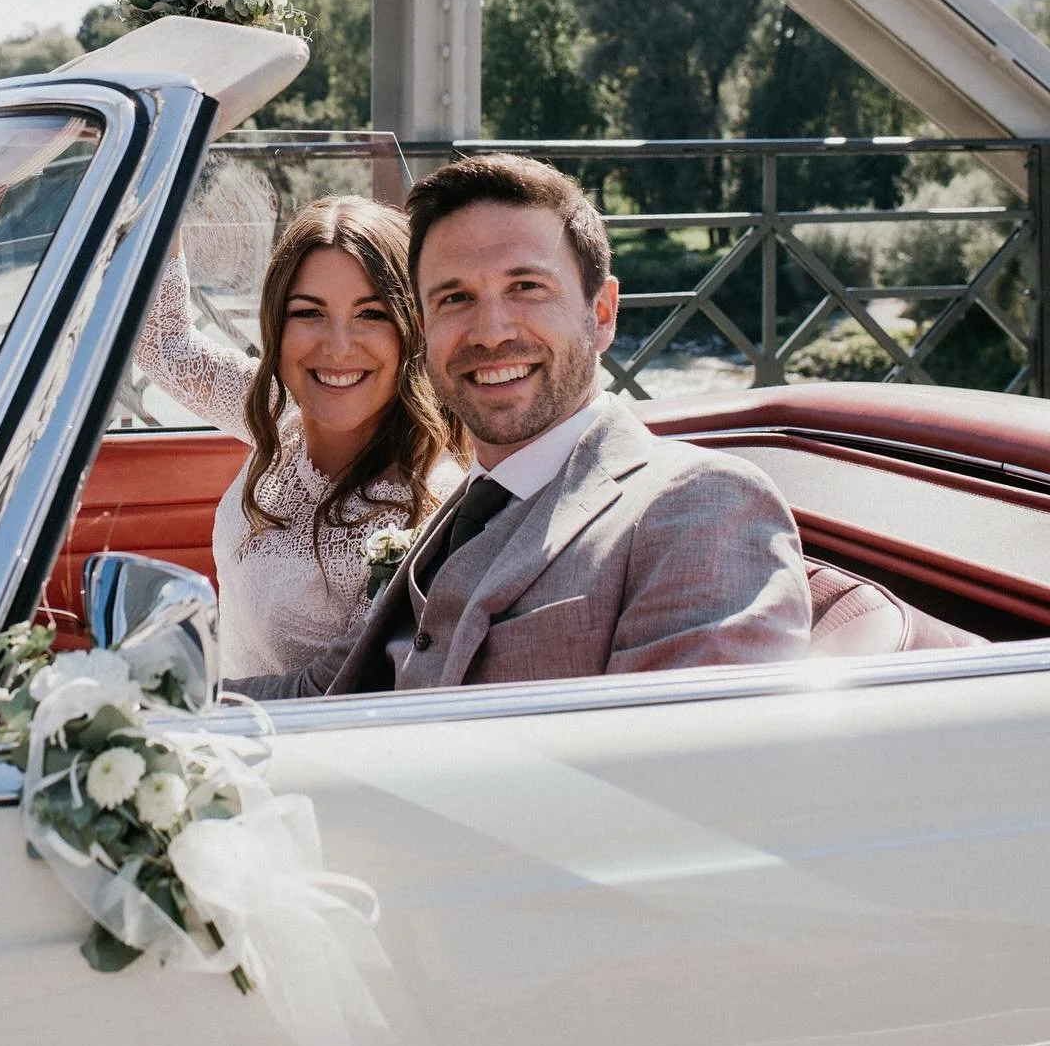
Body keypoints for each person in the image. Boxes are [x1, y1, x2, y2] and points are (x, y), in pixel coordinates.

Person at [230, 154, 811, 700]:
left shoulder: (699, 505)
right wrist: (155, 700)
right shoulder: (461, 509)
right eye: (454, 298)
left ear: (602, 313)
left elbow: (691, 782)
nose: (490, 332)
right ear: (424, 331)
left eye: (525, 288)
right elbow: (336, 688)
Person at [134, 195, 466, 677]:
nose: (337, 347)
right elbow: (164, 345)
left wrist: (176, 712)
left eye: (370, 314)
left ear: (411, 330)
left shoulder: (422, 513)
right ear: (276, 324)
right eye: (309, 312)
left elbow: (337, 692)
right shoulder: (278, 410)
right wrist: (165, 175)